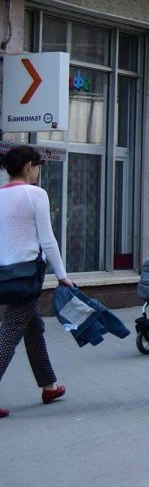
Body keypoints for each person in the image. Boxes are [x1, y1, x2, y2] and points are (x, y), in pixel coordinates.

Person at [0, 145, 72, 418]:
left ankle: (49, 385)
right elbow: (47, 240)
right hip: (25, 275)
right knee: (10, 331)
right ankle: (49, 384)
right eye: (38, 166)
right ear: (29, 166)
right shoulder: (35, 194)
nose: (38, 172)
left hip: (4, 274)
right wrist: (62, 275)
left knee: (34, 328)